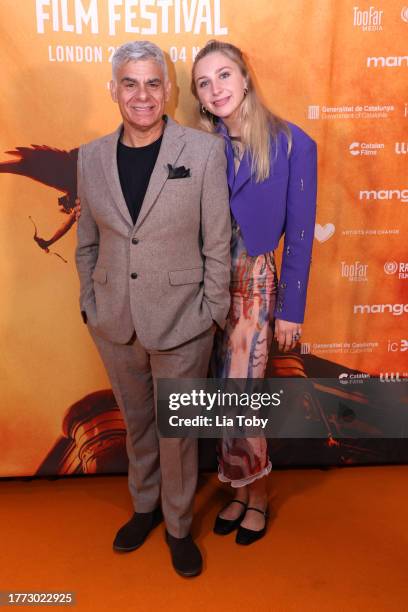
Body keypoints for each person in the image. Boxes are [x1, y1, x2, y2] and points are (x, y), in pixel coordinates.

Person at [75, 40, 231, 577]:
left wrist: (212, 311)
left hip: (185, 321)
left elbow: (217, 242)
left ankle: (180, 525)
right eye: (130, 83)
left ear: (169, 89)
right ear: (114, 89)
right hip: (114, 319)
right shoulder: (90, 156)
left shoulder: (203, 151)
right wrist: (90, 305)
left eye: (153, 83)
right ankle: (145, 508)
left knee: (177, 432)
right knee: (138, 423)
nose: (142, 95)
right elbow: (87, 242)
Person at [191, 40, 317, 545]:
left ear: (245, 78)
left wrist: (290, 310)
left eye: (224, 75)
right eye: (204, 82)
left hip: (258, 285)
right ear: (199, 98)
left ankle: (258, 494)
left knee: (242, 393)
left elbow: (302, 235)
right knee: (224, 392)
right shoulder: (202, 147)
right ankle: (238, 489)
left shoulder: (292, 143)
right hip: (213, 287)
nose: (216, 89)